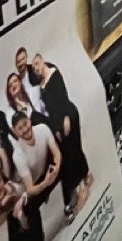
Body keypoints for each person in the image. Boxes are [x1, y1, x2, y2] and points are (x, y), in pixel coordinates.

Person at [32, 55, 92, 217]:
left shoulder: (54, 73)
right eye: (34, 68)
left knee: (74, 149)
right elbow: (50, 109)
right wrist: (56, 128)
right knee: (70, 154)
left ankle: (83, 185)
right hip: (58, 122)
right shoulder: (41, 86)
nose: (37, 68)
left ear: (42, 60)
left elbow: (62, 96)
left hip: (68, 115)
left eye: (37, 63)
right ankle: (85, 176)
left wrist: (65, 118)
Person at [14, 47, 46, 116]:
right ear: (16, 64)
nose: (21, 63)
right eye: (18, 61)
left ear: (26, 59)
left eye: (22, 59)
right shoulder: (17, 81)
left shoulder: (34, 71)